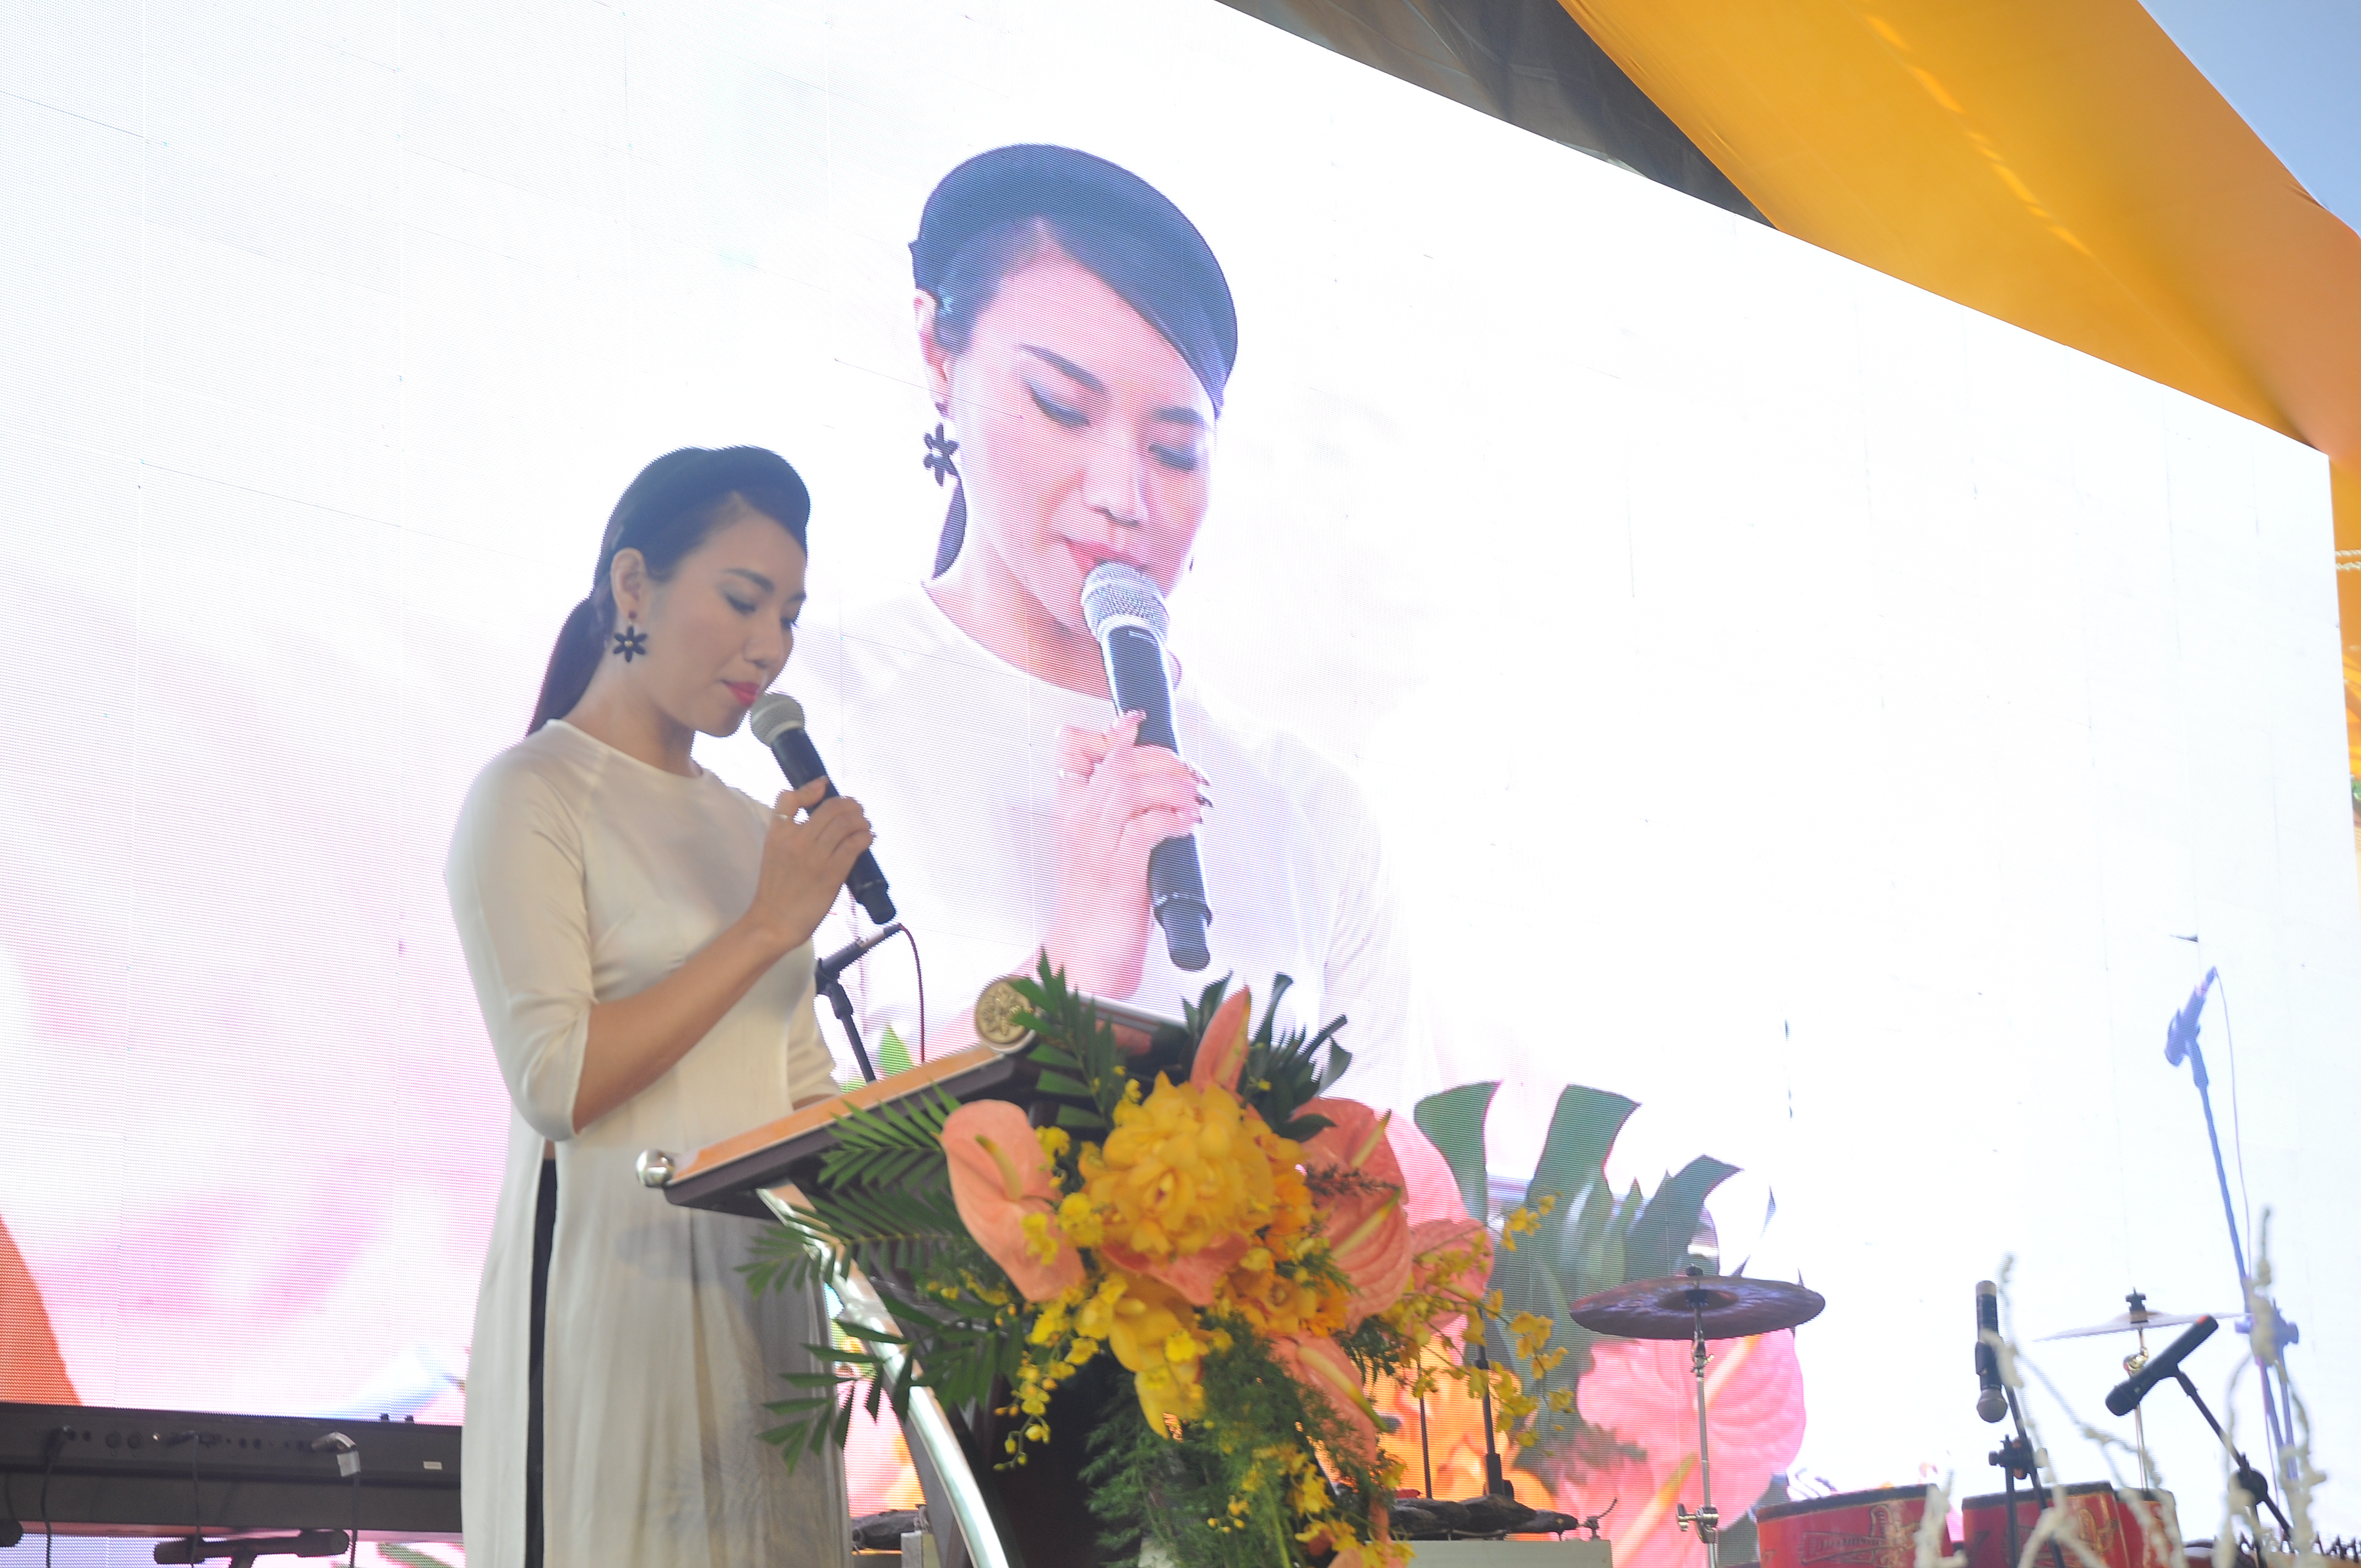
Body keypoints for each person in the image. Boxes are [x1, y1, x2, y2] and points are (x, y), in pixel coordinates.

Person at [791, 145, 1431, 1114]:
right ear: (938, 352)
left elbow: (1388, 1186)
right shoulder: (802, 715)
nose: (1121, 494)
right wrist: (1071, 962)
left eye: (1173, 451)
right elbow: (750, 1159)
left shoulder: (1316, 814)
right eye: (1062, 407)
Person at [447, 447, 871, 1567]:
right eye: (743, 599)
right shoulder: (531, 794)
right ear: (632, 585)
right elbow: (557, 1079)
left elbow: (800, 1092)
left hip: (764, 1313)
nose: (770, 644)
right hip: (618, 1309)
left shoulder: (745, 826)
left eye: (789, 615)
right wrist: (765, 927)